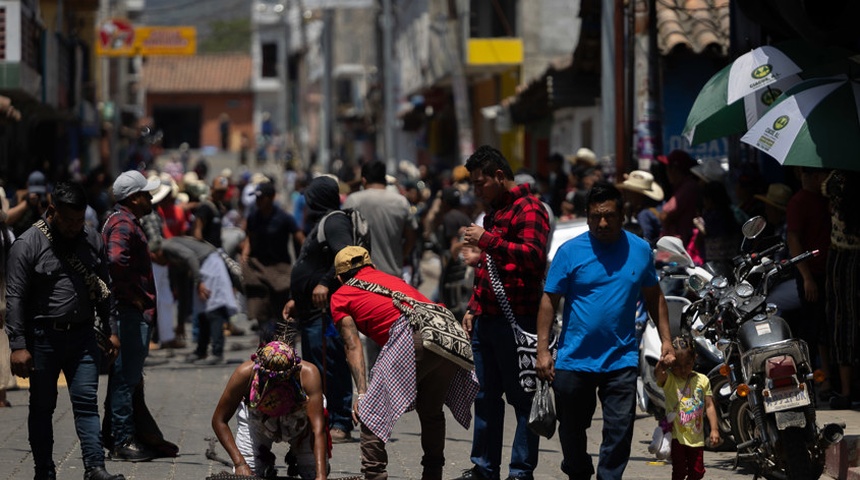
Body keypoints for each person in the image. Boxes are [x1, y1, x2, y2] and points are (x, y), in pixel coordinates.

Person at [535, 182, 675, 480]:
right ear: (587, 216)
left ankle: (608, 477)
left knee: (619, 431)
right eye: (597, 215)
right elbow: (549, 301)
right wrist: (543, 350)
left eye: (610, 215)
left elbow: (655, 297)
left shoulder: (638, 250)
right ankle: (578, 469)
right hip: (574, 360)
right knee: (571, 429)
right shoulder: (569, 252)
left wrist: (667, 341)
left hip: (620, 359)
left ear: (622, 215)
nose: (602, 222)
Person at [5, 181, 125, 480]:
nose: (74, 227)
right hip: (43, 338)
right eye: (68, 220)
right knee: (43, 407)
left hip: (83, 337)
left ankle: (95, 468)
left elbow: (104, 288)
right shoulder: (28, 244)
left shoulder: (91, 239)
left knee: (86, 402)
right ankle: (44, 470)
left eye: (79, 220)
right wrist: (18, 345)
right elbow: (15, 298)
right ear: (52, 211)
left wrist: (110, 329)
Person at [330, 246, 477, 480]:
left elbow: (352, 346)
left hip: (412, 335)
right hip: (447, 336)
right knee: (431, 411)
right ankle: (433, 473)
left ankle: (374, 475)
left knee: (371, 411)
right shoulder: (391, 279)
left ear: (339, 278)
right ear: (373, 267)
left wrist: (362, 392)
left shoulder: (340, 296)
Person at [453, 145, 550, 480]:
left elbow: (533, 257)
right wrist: (473, 308)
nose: (476, 190)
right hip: (487, 321)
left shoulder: (530, 208)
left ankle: (520, 472)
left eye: (480, 183)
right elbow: (489, 269)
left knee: (523, 401)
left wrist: (487, 240)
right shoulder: (494, 212)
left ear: (498, 176)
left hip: (518, 322)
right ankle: (484, 468)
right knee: (486, 398)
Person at [283, 176, 357, 444]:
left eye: (310, 196)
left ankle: (340, 421)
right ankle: (321, 418)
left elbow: (347, 256)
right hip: (310, 311)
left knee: (331, 365)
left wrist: (325, 282)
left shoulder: (335, 221)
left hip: (325, 311)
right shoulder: (321, 223)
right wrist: (295, 298)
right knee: (315, 367)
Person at [102, 170, 161, 461]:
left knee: (123, 377)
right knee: (126, 377)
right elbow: (115, 261)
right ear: (134, 198)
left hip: (128, 311)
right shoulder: (124, 223)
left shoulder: (121, 220)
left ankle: (114, 433)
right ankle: (122, 440)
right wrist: (134, 296)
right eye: (146, 194)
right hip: (128, 313)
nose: (151, 198)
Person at [212, 339, 328, 479]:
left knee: (312, 472)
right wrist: (240, 463)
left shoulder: (308, 374)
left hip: (300, 423)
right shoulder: (244, 374)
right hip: (257, 423)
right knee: (247, 476)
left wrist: (321, 475)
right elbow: (219, 420)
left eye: (283, 377)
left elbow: (317, 429)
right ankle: (262, 461)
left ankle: (300, 454)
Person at [151, 236, 238, 365]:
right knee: (202, 312)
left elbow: (191, 257)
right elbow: (182, 292)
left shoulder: (168, 246)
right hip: (200, 270)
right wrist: (180, 323)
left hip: (209, 264)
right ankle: (201, 351)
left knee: (214, 310)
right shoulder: (171, 262)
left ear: (157, 252)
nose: (157, 263)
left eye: (154, 259)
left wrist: (198, 282)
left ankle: (217, 352)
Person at [786, 168, 832, 399]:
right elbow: (793, 239)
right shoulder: (799, 202)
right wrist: (806, 277)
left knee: (825, 327)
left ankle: (826, 378)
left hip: (828, 272)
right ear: (813, 176)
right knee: (812, 329)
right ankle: (809, 381)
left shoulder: (826, 199)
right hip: (812, 273)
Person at [241, 181, 304, 342]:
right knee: (260, 305)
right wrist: (245, 254)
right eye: (256, 198)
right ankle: (266, 341)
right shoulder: (253, 217)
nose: (258, 201)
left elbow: (299, 237)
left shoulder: (284, 218)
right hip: (259, 267)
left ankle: (287, 341)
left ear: (271, 197)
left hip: (280, 268)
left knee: (282, 306)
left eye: (261, 198)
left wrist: (305, 257)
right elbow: (249, 236)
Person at [655, 336, 720, 480]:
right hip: (677, 437)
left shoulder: (702, 380)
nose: (683, 369)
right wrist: (662, 364)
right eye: (677, 365)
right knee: (679, 471)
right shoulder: (670, 379)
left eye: (688, 364)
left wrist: (714, 429)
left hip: (696, 437)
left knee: (697, 472)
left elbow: (709, 405)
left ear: (695, 359)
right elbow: (658, 375)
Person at [822, 170, 860, 409]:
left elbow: (825, 190)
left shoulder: (837, 180)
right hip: (847, 260)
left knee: (842, 321)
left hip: (843, 260)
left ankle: (846, 390)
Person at [658, 150, 699, 245]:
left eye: (668, 168)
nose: (666, 171)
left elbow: (665, 215)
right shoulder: (682, 187)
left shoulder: (688, 187)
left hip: (678, 247)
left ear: (675, 169)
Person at [616, 170, 664, 245]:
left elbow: (644, 240)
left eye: (629, 192)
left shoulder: (644, 215)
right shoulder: (656, 208)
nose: (626, 195)